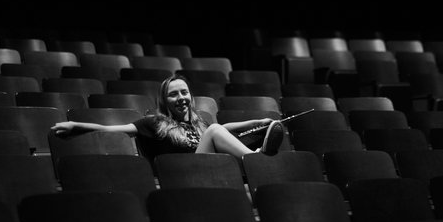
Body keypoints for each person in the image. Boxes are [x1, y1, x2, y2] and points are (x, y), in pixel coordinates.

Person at [51, 74, 285, 158]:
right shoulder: (153, 123)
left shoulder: (199, 122)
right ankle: (254, 160)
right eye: (174, 95)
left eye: (185, 92)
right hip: (184, 175)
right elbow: (115, 129)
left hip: (212, 170)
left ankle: (254, 157)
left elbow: (223, 126)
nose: (182, 97)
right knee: (215, 131)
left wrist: (256, 122)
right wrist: (77, 125)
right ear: (165, 101)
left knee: (216, 129)